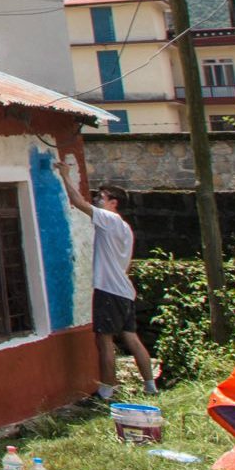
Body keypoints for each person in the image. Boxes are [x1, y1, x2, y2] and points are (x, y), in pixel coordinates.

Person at [61, 155, 155, 399]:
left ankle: (106, 390)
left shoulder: (109, 219)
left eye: (100, 198)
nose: (96, 200)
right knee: (132, 338)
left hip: (108, 290)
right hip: (124, 291)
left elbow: (77, 202)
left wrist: (64, 175)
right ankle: (150, 385)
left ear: (113, 202)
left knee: (104, 340)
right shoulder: (125, 227)